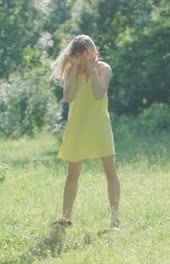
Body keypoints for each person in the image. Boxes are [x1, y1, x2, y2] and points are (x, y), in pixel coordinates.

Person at [50, 34, 121, 228]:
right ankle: (66, 219)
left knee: (110, 172)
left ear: (90, 52)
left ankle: (115, 219)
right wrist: (73, 72)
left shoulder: (103, 69)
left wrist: (92, 71)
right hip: (78, 126)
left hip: (99, 125)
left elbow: (99, 94)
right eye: (77, 55)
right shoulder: (70, 69)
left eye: (84, 55)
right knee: (72, 175)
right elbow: (69, 96)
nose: (81, 59)